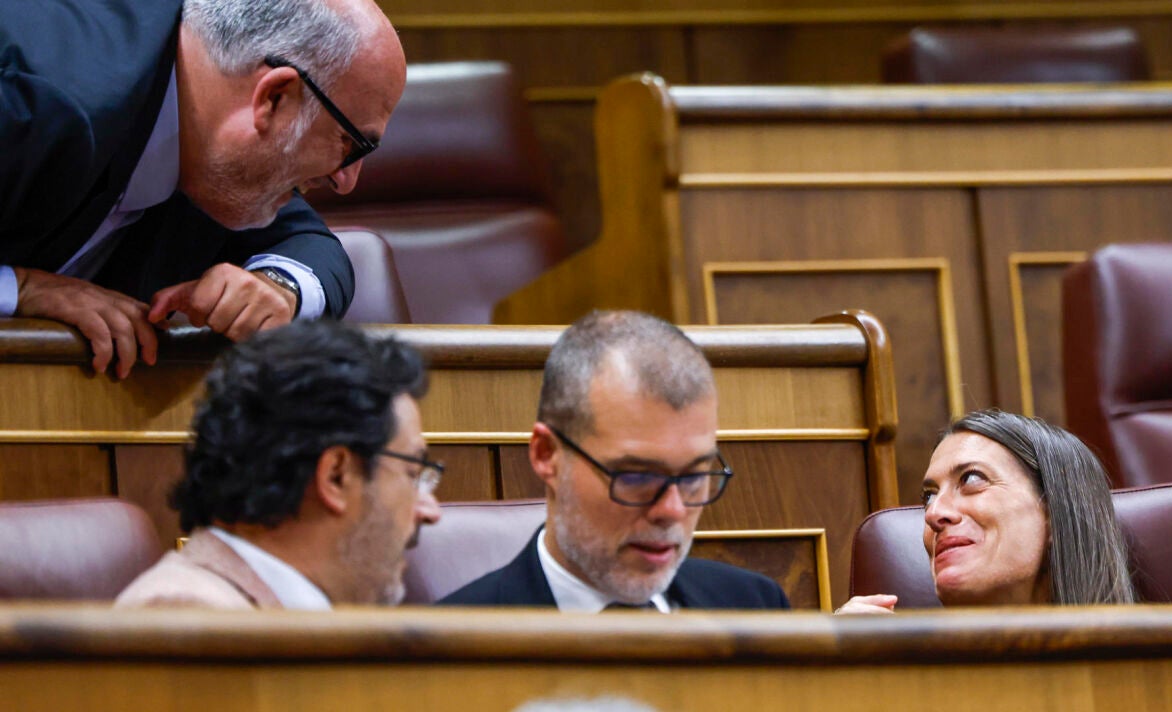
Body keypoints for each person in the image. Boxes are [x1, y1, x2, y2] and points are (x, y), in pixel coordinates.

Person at [1, 0, 407, 378]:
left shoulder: (215, 144)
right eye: (352, 144)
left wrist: (277, 289)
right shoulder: (32, 101)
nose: (346, 181)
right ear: (274, 98)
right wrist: (21, 289)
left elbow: (309, 244)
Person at [440, 310, 789, 611]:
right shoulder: (447, 648)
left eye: (693, 477)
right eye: (637, 476)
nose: (672, 510)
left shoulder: (756, 607)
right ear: (547, 455)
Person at [116, 320, 442, 609]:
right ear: (335, 475)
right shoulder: (190, 614)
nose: (431, 511)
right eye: (413, 474)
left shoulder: (290, 614)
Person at [839, 409, 1136, 613]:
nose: (932, 514)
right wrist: (834, 670)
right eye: (929, 497)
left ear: (1053, 513)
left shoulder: (1146, 671)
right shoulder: (905, 676)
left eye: (971, 479)